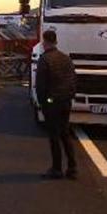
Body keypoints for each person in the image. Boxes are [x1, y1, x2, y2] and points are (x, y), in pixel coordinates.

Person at [36, 30, 77, 180]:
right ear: (56, 41)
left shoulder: (45, 60)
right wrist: (70, 96)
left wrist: (43, 103)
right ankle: (72, 168)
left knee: (54, 136)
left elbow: (41, 86)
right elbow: (73, 80)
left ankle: (57, 168)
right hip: (65, 101)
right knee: (65, 133)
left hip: (52, 103)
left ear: (45, 41)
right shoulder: (66, 58)